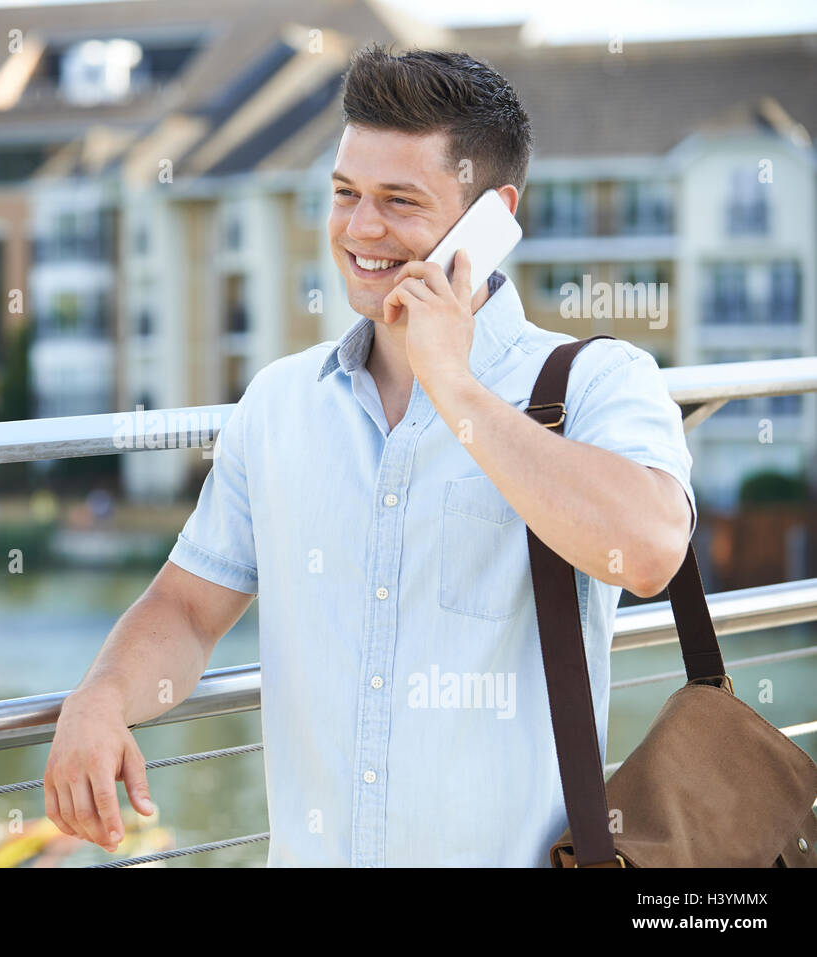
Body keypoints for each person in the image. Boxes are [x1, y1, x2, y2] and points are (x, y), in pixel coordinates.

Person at [44, 46, 695, 866]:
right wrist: (101, 699)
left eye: (400, 201)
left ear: (492, 217)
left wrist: (454, 385)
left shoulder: (600, 380)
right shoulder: (280, 404)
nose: (360, 229)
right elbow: (186, 610)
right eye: (346, 194)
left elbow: (648, 552)